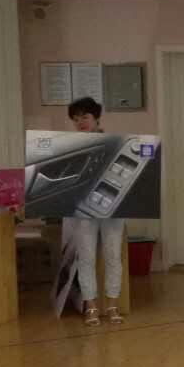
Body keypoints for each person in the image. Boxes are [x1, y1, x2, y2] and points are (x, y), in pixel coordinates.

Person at [68, 97, 125, 327]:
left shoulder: (116, 143)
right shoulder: (68, 146)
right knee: (86, 258)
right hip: (83, 209)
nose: (80, 122)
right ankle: (91, 307)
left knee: (113, 256)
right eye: (76, 118)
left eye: (85, 116)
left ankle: (112, 306)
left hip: (112, 207)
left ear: (96, 118)